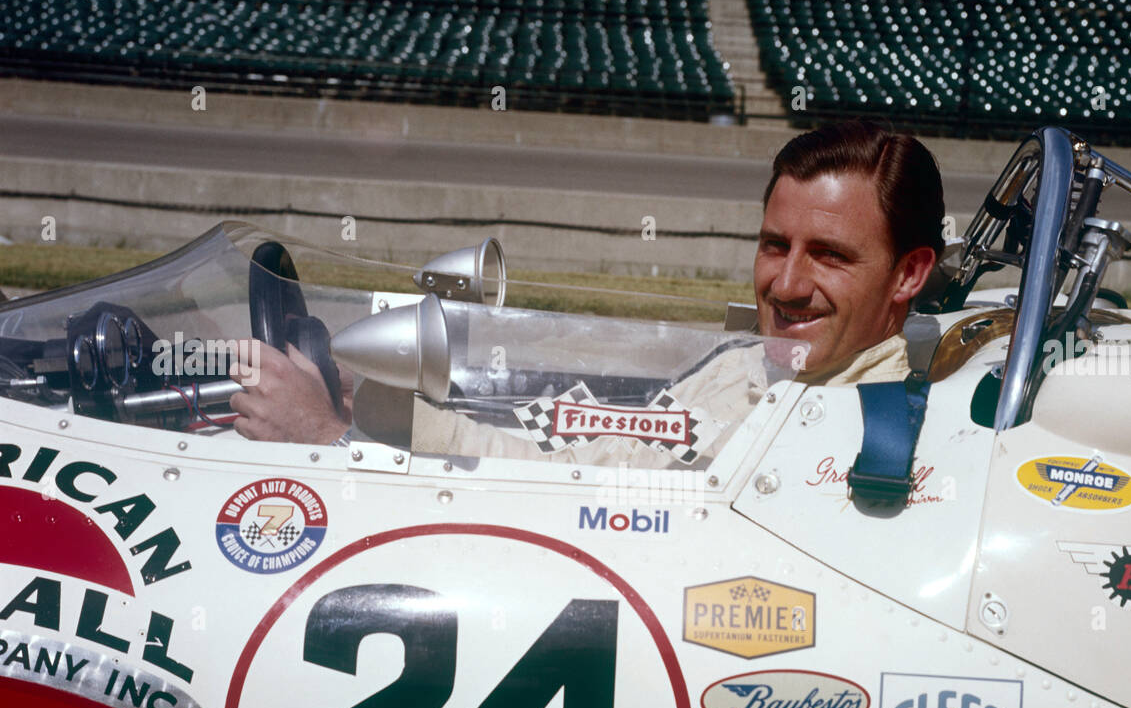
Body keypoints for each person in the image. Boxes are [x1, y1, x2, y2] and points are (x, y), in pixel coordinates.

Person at [228, 118, 945, 456]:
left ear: (909, 273)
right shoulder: (770, 366)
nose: (786, 283)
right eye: (773, 245)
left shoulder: (841, 434)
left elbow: (587, 508)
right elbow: (603, 458)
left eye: (829, 256)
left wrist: (326, 438)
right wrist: (379, 412)